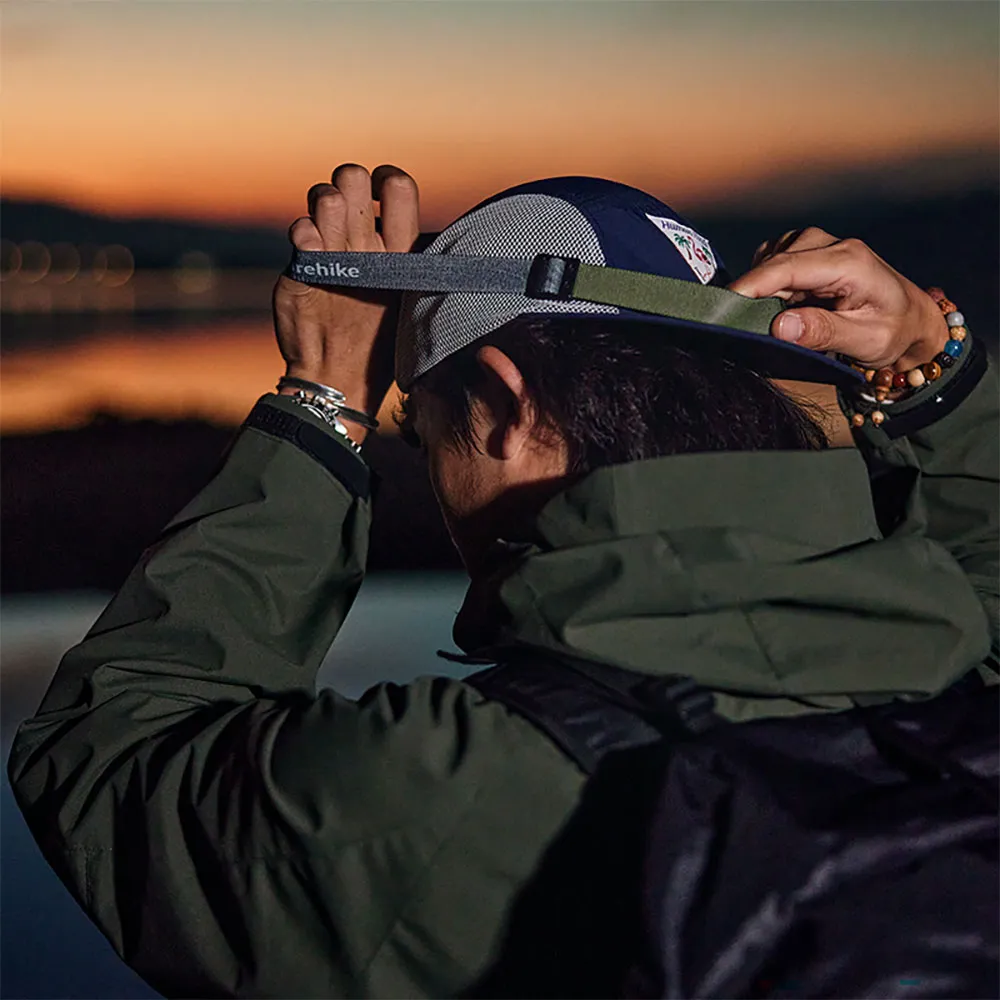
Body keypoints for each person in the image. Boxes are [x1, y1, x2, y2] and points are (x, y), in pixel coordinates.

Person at [8, 165, 997, 999]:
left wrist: (323, 403)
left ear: (507, 406)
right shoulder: (955, 653)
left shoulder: (449, 792)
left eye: (425, 435)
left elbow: (111, 755)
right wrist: (933, 363)